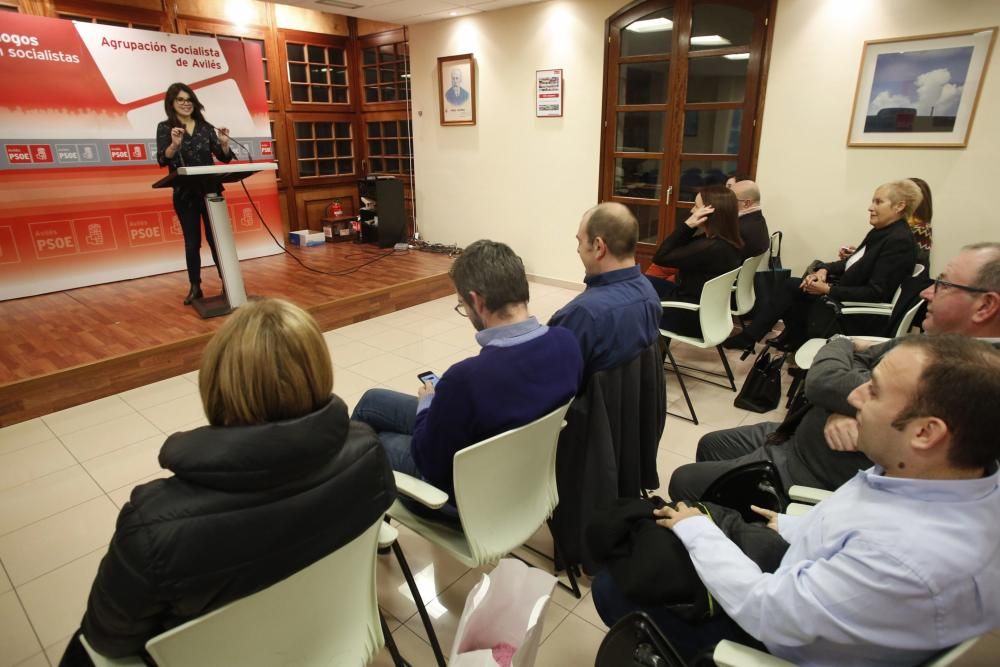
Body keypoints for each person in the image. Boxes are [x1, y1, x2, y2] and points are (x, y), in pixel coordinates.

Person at [595, 334, 1000, 665]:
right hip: (805, 568)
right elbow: (855, 523)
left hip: (775, 635)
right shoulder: (941, 480)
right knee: (665, 526)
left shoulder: (906, 560)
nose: (855, 398)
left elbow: (768, 612)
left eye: (874, 392)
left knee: (614, 584)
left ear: (926, 433)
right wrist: (791, 525)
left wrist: (699, 531)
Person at [63, 298, 396, 663]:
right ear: (318, 371)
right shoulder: (367, 451)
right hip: (335, 644)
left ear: (217, 383)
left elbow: (108, 640)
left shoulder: (153, 528)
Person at [668, 242, 1000, 501]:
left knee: (684, 480)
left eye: (943, 284)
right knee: (711, 444)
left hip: (808, 471)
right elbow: (839, 367)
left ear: (985, 306)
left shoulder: (977, 375)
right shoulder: (939, 341)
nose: (927, 291)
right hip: (797, 435)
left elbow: (824, 378)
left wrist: (850, 384)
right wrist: (847, 400)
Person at [352, 240, 582, 510]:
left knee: (374, 444)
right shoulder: (567, 343)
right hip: (524, 479)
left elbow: (429, 462)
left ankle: (355, 515)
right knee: (372, 400)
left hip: (468, 500)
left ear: (477, 301)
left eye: (462, 304)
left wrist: (428, 404)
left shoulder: (465, 380)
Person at [725, 180, 919, 352]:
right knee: (794, 285)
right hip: (845, 299)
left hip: (857, 314)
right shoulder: (882, 232)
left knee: (792, 288)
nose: (870, 207)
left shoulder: (898, 241)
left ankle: (762, 338)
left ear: (899, 206)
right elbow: (851, 264)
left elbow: (876, 293)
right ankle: (783, 340)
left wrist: (827, 288)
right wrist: (823, 269)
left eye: (878, 202)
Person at [549, 202, 661, 377]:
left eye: (579, 242)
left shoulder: (584, 314)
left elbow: (548, 380)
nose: (578, 250)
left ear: (599, 247)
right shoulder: (650, 293)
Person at [156, 82, 233, 306]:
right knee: (192, 242)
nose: (185, 103)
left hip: (210, 191)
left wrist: (224, 144)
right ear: (172, 103)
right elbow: (163, 159)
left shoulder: (205, 126)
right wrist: (174, 144)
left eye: (188, 99)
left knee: (217, 240)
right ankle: (195, 287)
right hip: (185, 194)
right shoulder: (165, 127)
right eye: (180, 99)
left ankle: (227, 281)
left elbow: (224, 157)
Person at [646, 185, 743, 339]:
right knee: (637, 283)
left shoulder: (709, 248)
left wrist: (687, 225)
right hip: (707, 313)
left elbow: (660, 257)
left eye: (696, 207)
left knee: (634, 301)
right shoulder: (728, 241)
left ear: (709, 213)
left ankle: (648, 359)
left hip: (690, 316)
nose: (692, 211)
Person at [730, 179, 769, 259]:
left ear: (747, 203)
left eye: (731, 199)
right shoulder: (758, 219)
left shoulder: (738, 229)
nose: (727, 202)